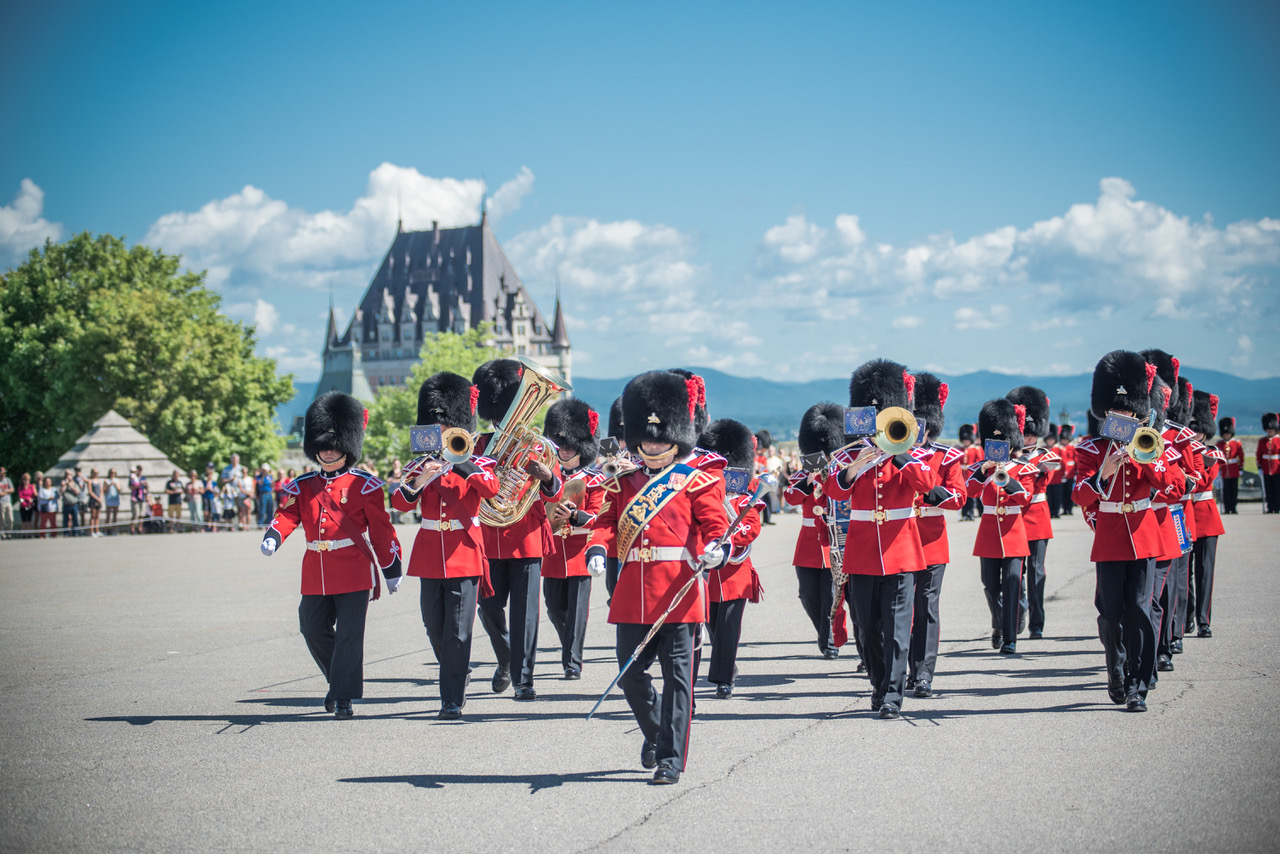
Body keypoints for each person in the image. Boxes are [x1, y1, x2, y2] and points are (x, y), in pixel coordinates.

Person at [585, 370, 729, 784]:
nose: (652, 444)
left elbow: (715, 523)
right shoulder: (623, 482)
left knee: (678, 680)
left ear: (677, 437)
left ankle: (670, 759)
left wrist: (717, 548)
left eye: (660, 437)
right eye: (646, 439)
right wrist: (597, 548)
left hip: (679, 590)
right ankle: (656, 733)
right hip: (633, 592)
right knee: (630, 675)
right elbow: (605, 523)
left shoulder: (697, 481)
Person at [260, 391, 403, 719]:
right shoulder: (304, 485)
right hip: (316, 570)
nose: (327, 449)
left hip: (353, 569)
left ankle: (342, 697)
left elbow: (381, 532)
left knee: (350, 636)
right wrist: (273, 536)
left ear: (347, 447)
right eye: (322, 444)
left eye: (335, 444)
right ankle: (340, 681)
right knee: (311, 628)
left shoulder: (365, 486)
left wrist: (391, 568)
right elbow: (288, 515)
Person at [823, 360, 935, 719]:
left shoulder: (908, 455)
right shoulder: (847, 456)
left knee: (898, 627)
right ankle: (878, 681)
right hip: (862, 551)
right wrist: (853, 468)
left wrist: (899, 453)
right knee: (867, 627)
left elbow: (928, 486)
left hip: (901, 549)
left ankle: (892, 695)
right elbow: (832, 492)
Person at [1072, 350, 1184, 712]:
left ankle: (1137, 686)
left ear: (1138, 413)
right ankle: (1115, 671)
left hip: (1144, 535)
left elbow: (1175, 487)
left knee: (1139, 609)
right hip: (1109, 540)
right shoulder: (1091, 449)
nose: (1121, 416)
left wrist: (1145, 459)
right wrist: (1103, 472)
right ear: (1105, 412)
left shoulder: (1153, 446)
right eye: (1115, 411)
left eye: (1128, 412)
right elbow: (1078, 494)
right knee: (1110, 614)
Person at [392, 373, 500, 720]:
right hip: (429, 555)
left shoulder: (477, 463)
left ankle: (451, 698)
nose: (440, 433)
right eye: (435, 427)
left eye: (447, 427)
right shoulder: (419, 464)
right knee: (433, 625)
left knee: (457, 630)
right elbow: (400, 502)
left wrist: (460, 461)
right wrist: (423, 477)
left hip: (464, 553)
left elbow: (490, 488)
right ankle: (458, 669)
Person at [472, 359, 564, 702]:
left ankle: (524, 679)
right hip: (489, 539)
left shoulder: (540, 446)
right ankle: (506, 658)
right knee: (489, 609)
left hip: (526, 537)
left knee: (526, 614)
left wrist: (548, 476)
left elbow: (557, 492)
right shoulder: (478, 445)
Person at [907, 373, 966, 697]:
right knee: (901, 611)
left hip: (930, 541)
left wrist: (931, 492)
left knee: (926, 608)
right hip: (898, 539)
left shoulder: (947, 456)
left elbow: (958, 498)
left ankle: (924, 674)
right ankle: (902, 669)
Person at [697, 419, 765, 699]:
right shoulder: (703, 491)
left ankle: (723, 679)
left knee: (728, 629)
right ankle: (728, 665)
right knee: (714, 629)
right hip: (708, 572)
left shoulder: (745, 494)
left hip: (735, 574)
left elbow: (752, 526)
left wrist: (728, 539)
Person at [541, 398, 607, 681]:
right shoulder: (547, 478)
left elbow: (599, 517)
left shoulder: (594, 480)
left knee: (578, 612)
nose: (565, 449)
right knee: (554, 608)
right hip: (554, 552)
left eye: (571, 445)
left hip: (580, 552)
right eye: (561, 443)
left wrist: (576, 516)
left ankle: (573, 662)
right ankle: (570, 647)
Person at [967, 399, 1037, 655]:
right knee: (990, 585)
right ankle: (998, 623)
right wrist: (983, 471)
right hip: (988, 533)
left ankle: (1010, 639)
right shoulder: (980, 469)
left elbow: (1025, 497)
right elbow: (969, 492)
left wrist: (1006, 478)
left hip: (1014, 532)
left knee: (1012, 584)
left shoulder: (1023, 468)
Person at [783, 402, 846, 659]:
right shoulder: (803, 473)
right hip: (809, 542)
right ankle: (824, 632)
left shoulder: (843, 471)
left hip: (834, 539)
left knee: (832, 594)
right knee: (807, 594)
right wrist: (809, 482)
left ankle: (828, 639)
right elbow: (790, 498)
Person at [1006, 386, 1059, 641]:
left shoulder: (1047, 455)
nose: (1027, 438)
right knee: (1016, 573)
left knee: (1037, 571)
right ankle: (1017, 615)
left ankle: (1037, 622)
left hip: (1037, 514)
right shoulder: (1009, 456)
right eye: (1023, 433)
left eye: (1030, 434)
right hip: (1015, 515)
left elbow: (1047, 477)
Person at [1187, 390, 1225, 638]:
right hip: (1185, 514)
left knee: (1205, 571)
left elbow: (1202, 482)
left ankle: (1203, 620)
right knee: (1183, 573)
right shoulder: (1180, 449)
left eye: (1199, 428)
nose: (1196, 432)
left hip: (1206, 515)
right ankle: (1186, 615)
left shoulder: (1211, 453)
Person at [1216, 418, 1244, 513]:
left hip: (1234, 469)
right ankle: (1227, 508)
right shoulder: (1219, 444)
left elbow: (1241, 456)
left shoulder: (1236, 443)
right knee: (1226, 491)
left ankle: (1233, 507)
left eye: (1228, 433)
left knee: (1234, 490)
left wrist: (1241, 468)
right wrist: (1218, 469)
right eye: (1225, 433)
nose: (1226, 435)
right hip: (1224, 470)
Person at [958, 424, 982, 520]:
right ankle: (965, 514)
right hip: (962, 477)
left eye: (967, 439)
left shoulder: (975, 450)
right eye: (964, 440)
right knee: (964, 497)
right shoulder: (960, 450)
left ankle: (971, 513)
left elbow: (979, 462)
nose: (966, 441)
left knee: (972, 497)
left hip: (971, 476)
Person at [1258, 413, 1280, 514]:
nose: (1269, 431)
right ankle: (1270, 507)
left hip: (1277, 468)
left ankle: (1277, 507)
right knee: (1269, 489)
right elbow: (1259, 455)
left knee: (1277, 489)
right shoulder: (1262, 441)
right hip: (1266, 468)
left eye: (1271, 430)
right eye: (1268, 430)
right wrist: (1260, 467)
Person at [61, 470, 82, 537]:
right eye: (67, 474)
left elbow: (77, 492)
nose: (68, 476)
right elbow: (61, 492)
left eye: (69, 474)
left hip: (74, 504)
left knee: (75, 519)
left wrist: (71, 485)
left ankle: (76, 532)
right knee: (65, 519)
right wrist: (65, 485)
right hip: (66, 504)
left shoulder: (75, 483)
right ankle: (66, 533)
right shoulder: (63, 483)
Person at [129, 466, 148, 534]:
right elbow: (130, 487)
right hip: (135, 497)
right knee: (135, 514)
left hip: (142, 497)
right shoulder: (133, 477)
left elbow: (146, 488)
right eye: (138, 470)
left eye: (140, 470)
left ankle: (140, 528)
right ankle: (132, 528)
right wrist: (138, 485)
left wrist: (146, 486)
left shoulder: (143, 478)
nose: (139, 471)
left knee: (141, 514)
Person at [18, 472, 37, 538]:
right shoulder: (20, 487)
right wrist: (26, 501)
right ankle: (23, 534)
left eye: (27, 479)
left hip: (30, 506)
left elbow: (33, 495)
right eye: (25, 479)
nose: (26, 481)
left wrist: (31, 500)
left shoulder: (31, 487)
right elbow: (20, 496)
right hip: (23, 506)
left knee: (29, 520)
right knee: (23, 520)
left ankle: (29, 534)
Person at [103, 469, 121, 535]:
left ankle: (114, 531)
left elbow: (119, 490)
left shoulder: (117, 480)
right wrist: (109, 485)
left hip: (115, 499)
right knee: (108, 516)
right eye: (111, 473)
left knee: (115, 516)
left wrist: (115, 484)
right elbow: (104, 490)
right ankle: (105, 530)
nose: (112, 474)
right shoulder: (106, 480)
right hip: (109, 499)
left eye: (114, 473)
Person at [85, 469, 103, 537]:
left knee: (97, 516)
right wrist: (97, 499)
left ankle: (97, 530)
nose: (96, 474)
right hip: (93, 500)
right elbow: (90, 491)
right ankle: (91, 531)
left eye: (97, 473)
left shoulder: (99, 481)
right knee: (93, 516)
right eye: (95, 473)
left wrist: (100, 498)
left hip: (99, 500)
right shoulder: (90, 481)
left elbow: (101, 491)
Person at [0, 466, 13, 539]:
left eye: (4, 473)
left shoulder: (8, 480)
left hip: (8, 502)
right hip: (1, 503)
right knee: (2, 519)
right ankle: (3, 534)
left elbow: (12, 489)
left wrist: (5, 491)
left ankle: (9, 533)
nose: (3, 474)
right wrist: (7, 491)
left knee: (10, 519)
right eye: (2, 473)